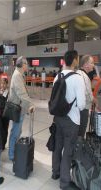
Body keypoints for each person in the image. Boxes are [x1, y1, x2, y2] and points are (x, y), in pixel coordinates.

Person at [52, 50, 86, 190]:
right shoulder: (78, 78)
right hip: (71, 120)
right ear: (74, 60)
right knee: (68, 150)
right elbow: (83, 104)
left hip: (57, 118)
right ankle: (65, 182)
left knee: (57, 146)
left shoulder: (57, 76)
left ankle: (56, 172)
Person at [7, 56, 35, 161]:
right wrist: (31, 104)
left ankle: (14, 152)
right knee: (16, 131)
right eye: (26, 64)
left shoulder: (19, 74)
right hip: (17, 109)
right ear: (22, 65)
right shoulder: (17, 75)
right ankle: (12, 155)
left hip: (20, 108)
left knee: (17, 131)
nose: (27, 65)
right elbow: (22, 94)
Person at [76, 55, 95, 137]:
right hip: (83, 110)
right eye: (92, 63)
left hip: (76, 109)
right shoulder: (84, 76)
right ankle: (77, 148)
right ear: (86, 64)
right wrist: (95, 101)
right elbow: (88, 95)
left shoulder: (77, 73)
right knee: (80, 134)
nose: (93, 65)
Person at [0, 77, 9, 150]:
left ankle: (3, 145)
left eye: (4, 84)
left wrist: (1, 95)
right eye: (1, 83)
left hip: (5, 115)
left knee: (4, 130)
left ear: (6, 84)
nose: (2, 85)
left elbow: (5, 103)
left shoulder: (7, 93)